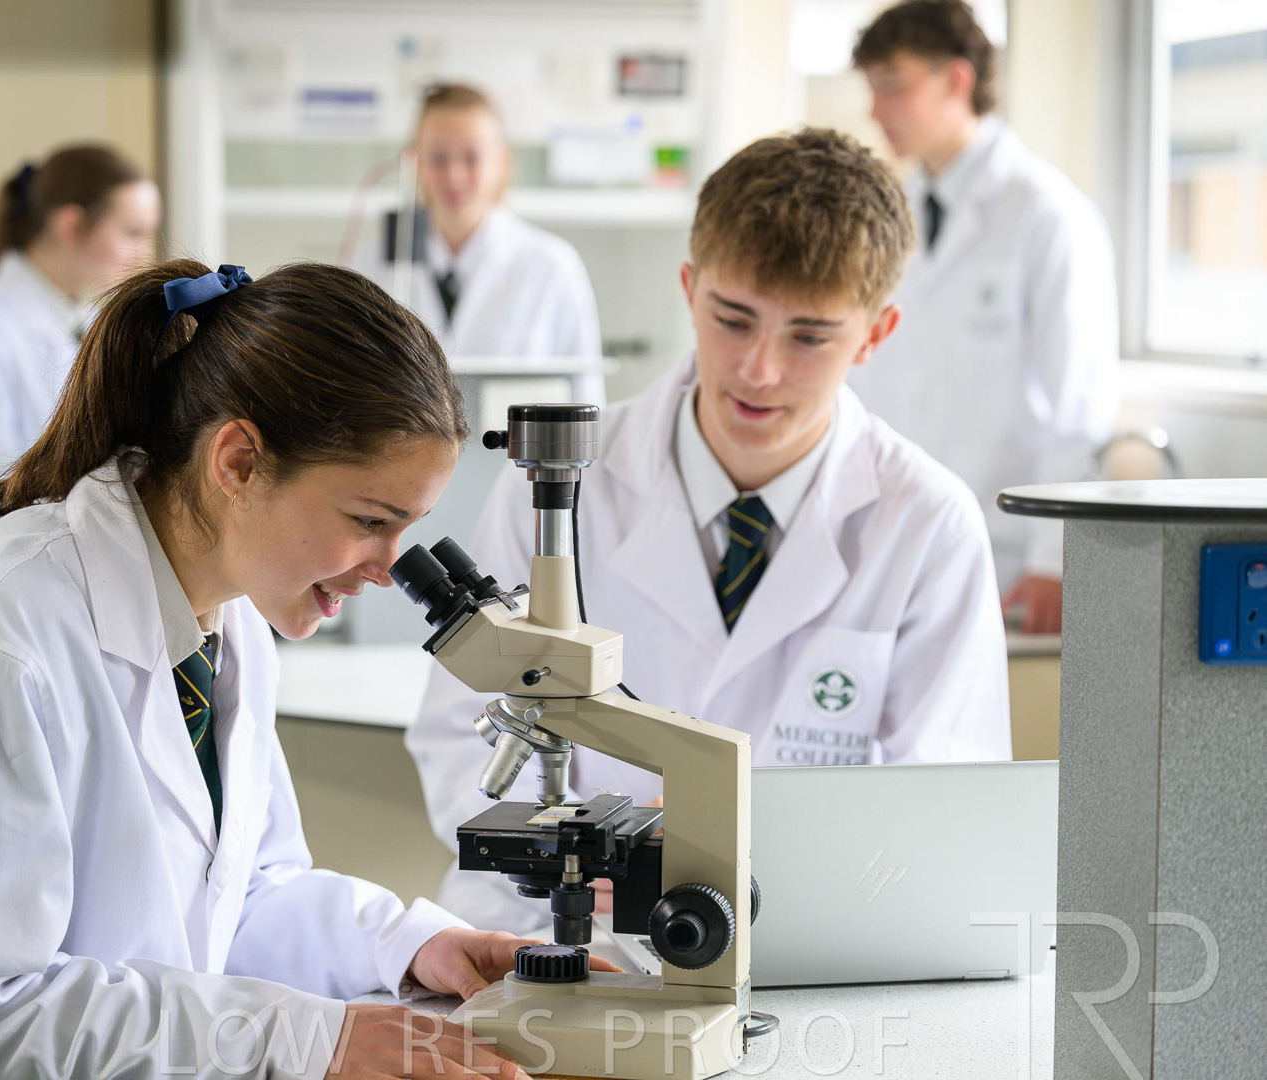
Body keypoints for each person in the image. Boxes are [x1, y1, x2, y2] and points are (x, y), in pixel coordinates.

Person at [0, 259, 604, 1078]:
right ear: (237, 462)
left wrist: (410, 945)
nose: (388, 568)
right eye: (368, 520)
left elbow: (236, 900)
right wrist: (312, 1040)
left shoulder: (230, 624)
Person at [407, 129, 1013, 932]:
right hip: (551, 926)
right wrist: (565, 864)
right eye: (733, 319)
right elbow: (460, 729)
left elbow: (942, 801)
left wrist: (733, 855)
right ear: (690, 290)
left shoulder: (928, 525)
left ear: (876, 332)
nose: (760, 369)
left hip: (804, 940)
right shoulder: (558, 487)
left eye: (809, 336)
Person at [849, 0, 1121, 633]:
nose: (874, 111)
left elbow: (1079, 407)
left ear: (956, 79)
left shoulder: (1048, 216)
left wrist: (1056, 557)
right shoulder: (891, 212)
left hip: (1005, 553)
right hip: (889, 539)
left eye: (892, 86)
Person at [0, 143, 162, 551]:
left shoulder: (84, 322)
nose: (145, 254)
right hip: (11, 569)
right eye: (133, 233)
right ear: (71, 225)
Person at [356, 83, 604, 402]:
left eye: (471, 158)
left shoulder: (552, 264)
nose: (454, 176)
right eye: (438, 158)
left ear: (503, 163)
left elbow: (586, 399)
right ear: (413, 162)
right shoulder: (369, 264)